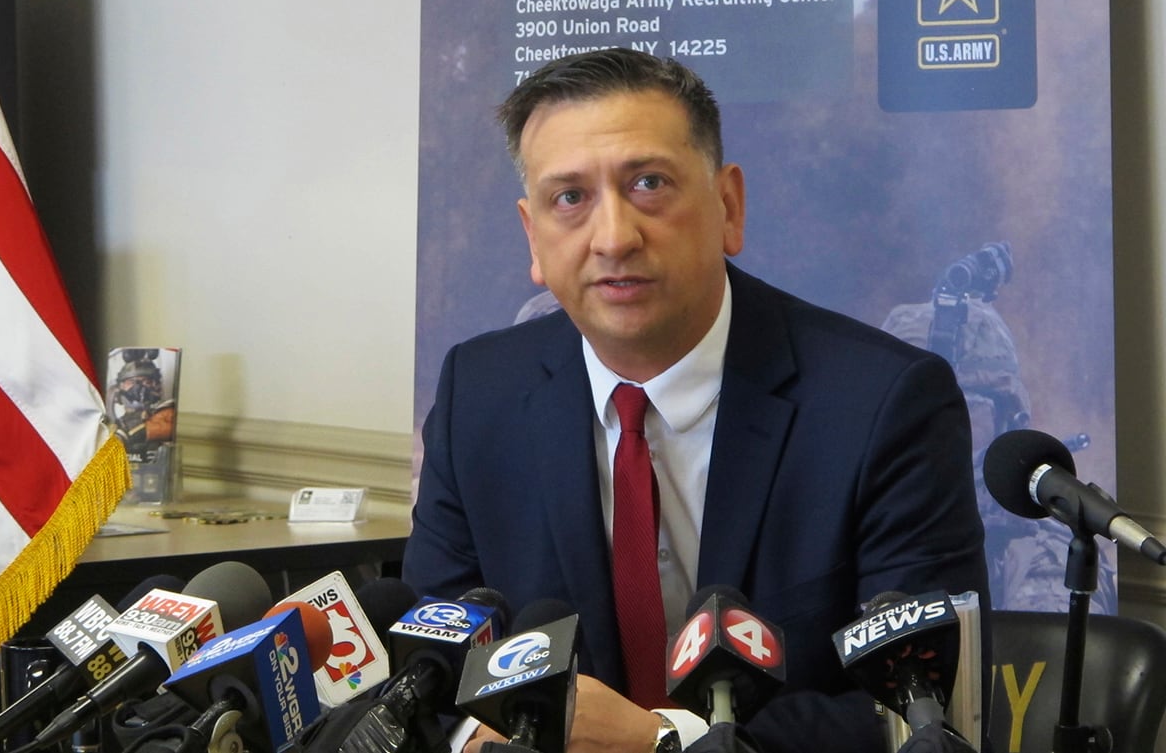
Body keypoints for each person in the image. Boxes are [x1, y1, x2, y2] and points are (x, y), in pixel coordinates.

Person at [403, 47, 990, 753]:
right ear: (533, 234)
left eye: (649, 183)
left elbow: (921, 714)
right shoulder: (479, 395)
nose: (614, 237)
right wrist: (477, 735)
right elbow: (435, 663)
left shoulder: (884, 406)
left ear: (728, 206)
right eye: (570, 198)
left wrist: (662, 742)